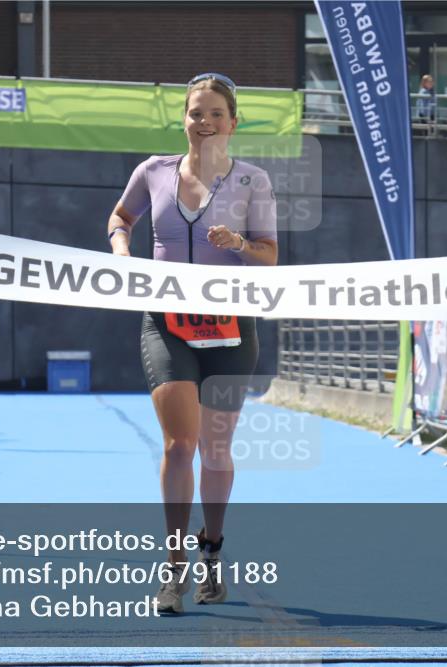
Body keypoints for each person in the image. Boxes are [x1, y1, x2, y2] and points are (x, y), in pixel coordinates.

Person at [107, 73, 278, 614]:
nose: (204, 123)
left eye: (215, 115)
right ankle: (174, 568)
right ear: (183, 118)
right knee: (180, 445)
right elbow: (120, 218)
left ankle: (213, 554)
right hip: (166, 322)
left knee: (216, 449)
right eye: (195, 113)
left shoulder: (253, 181)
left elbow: (271, 255)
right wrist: (121, 252)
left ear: (233, 122)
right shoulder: (152, 171)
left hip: (230, 328)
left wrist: (240, 244)